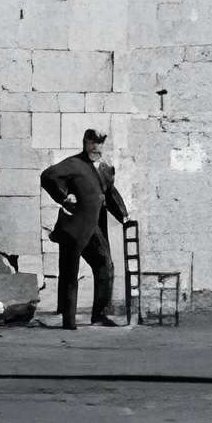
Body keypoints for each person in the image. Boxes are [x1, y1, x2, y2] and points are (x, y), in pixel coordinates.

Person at [39, 128, 130, 328]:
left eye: (99, 143)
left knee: (105, 266)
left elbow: (110, 194)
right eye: (92, 143)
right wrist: (64, 198)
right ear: (85, 143)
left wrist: (123, 215)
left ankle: (99, 315)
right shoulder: (73, 164)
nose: (96, 147)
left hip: (92, 228)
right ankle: (68, 320)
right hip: (72, 227)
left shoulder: (106, 169)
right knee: (70, 272)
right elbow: (47, 176)